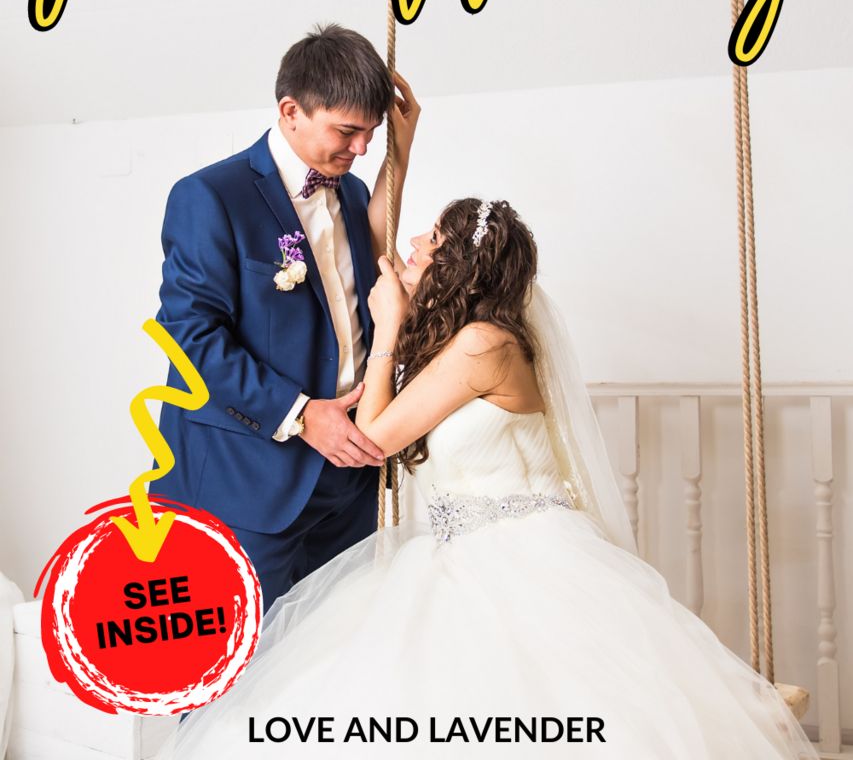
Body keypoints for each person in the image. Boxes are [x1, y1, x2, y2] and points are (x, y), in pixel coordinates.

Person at [166, 199, 816, 759]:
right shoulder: (460, 343)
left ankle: (742, 712)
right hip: (457, 551)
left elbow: (369, 438)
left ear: (456, 271)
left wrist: (387, 323)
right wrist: (405, 139)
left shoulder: (483, 345)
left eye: (432, 240)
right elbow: (375, 246)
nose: (414, 245)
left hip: (520, 552)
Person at [154, 24, 420, 609]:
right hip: (244, 484)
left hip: (349, 484)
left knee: (332, 664)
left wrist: (403, 146)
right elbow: (190, 338)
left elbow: (373, 306)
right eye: (347, 131)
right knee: (237, 674)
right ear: (291, 110)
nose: (359, 149)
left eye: (371, 136)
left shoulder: (352, 194)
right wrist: (300, 415)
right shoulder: (210, 196)